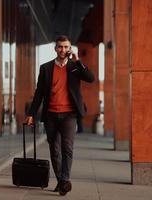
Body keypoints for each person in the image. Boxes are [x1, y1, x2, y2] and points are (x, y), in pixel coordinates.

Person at [25, 35, 94, 196]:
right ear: (55, 48)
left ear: (70, 49)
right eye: (60, 47)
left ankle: (64, 179)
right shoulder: (46, 68)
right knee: (54, 150)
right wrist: (31, 114)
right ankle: (62, 181)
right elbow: (39, 93)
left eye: (66, 47)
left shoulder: (75, 67)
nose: (63, 50)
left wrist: (78, 61)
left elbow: (90, 78)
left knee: (67, 148)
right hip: (51, 115)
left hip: (69, 115)